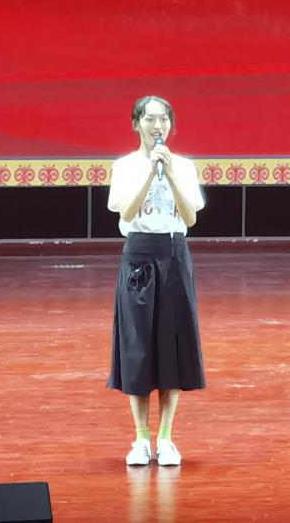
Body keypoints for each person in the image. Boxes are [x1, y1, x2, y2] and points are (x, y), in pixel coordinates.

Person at [107, 95, 206, 466]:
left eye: (163, 119)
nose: (157, 126)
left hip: (174, 255)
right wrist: (151, 172)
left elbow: (190, 217)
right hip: (139, 255)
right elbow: (127, 212)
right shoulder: (125, 167)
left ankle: (166, 437)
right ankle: (141, 438)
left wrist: (171, 173)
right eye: (149, 119)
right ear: (136, 124)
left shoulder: (184, 166)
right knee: (138, 347)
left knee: (171, 346)